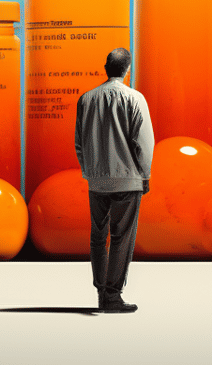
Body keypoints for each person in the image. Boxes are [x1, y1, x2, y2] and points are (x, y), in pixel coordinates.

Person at [74, 47, 154, 314]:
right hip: (127, 179)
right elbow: (143, 142)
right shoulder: (134, 98)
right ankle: (112, 296)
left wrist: (89, 172)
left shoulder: (86, 99)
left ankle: (100, 291)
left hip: (96, 180)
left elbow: (79, 143)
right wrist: (145, 174)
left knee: (98, 236)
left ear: (105, 67)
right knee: (121, 237)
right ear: (127, 69)